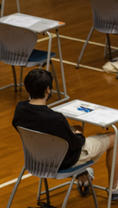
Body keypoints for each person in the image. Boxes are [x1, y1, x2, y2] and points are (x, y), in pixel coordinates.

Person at [12, 69, 117, 198]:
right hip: (61, 163)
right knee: (114, 137)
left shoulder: (20, 109)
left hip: (36, 160)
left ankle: (82, 176)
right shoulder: (56, 119)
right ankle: (114, 189)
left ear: (27, 88)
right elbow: (76, 144)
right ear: (48, 90)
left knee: (76, 126)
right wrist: (79, 135)